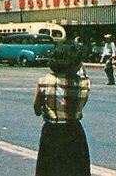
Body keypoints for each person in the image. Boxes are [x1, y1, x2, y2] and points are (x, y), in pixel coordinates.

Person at [33, 43, 91, 176]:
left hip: (52, 132)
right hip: (74, 131)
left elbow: (36, 109)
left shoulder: (44, 81)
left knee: (50, 169)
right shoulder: (85, 83)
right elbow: (81, 105)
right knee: (76, 170)